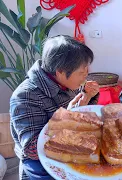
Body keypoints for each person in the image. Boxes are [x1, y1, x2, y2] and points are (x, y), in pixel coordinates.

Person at [10, 35, 100, 180]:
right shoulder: (25, 96)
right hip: (39, 164)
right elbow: (33, 150)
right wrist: (67, 117)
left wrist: (88, 97)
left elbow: (80, 117)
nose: (85, 77)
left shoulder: (65, 82)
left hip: (69, 148)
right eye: (81, 73)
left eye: (86, 72)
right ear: (60, 71)